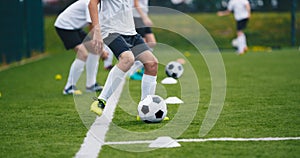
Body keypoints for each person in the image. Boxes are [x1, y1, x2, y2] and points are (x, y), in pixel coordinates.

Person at [88, 0, 159, 117]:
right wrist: (97, 30)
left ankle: (145, 110)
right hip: (111, 30)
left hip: (131, 32)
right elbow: (92, 4)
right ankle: (100, 101)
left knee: (152, 64)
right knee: (127, 59)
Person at [54, 0, 113, 95]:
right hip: (64, 26)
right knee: (83, 54)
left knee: (95, 50)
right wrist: (102, 51)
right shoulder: (91, 3)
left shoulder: (102, 5)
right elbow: (92, 27)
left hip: (75, 27)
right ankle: (69, 87)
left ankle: (91, 85)